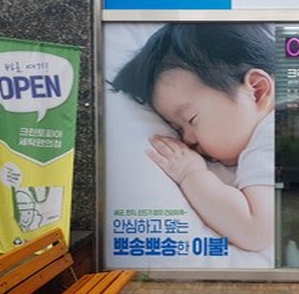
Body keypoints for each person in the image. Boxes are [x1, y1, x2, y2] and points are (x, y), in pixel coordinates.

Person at [111, 23, 275, 252]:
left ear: (257, 91)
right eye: (178, 130)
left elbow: (254, 230)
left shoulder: (274, 133)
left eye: (191, 119)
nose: (187, 140)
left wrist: (191, 174)